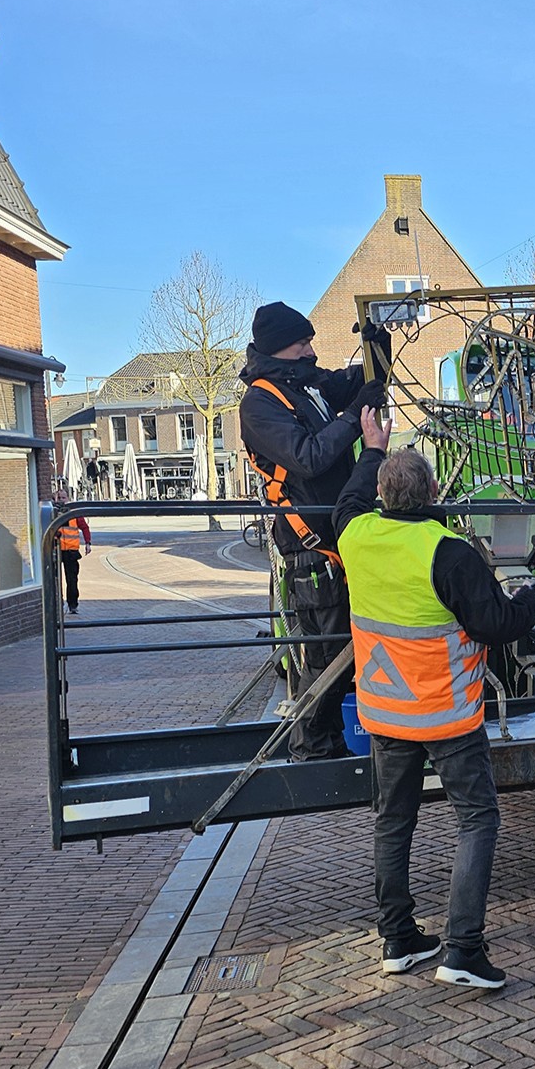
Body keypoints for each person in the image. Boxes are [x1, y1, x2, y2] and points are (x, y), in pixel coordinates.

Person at [334, 406, 535, 990]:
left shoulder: (355, 535)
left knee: (392, 821)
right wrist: (529, 600)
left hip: (385, 712)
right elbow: (496, 625)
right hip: (447, 712)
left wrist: (372, 445)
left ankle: (398, 938)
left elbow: (350, 499)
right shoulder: (449, 551)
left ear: (381, 493)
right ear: (432, 490)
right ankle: (462, 949)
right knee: (477, 820)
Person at [237, 300, 390, 760]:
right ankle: (312, 748)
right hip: (311, 546)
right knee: (325, 651)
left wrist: (378, 343)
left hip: (338, 536)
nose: (311, 351)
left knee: (344, 645)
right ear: (281, 348)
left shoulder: (306, 384)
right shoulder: (261, 403)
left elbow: (364, 381)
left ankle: (328, 742)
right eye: (303, 343)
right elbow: (307, 456)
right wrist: (351, 420)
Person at [53, 490, 91, 614]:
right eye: (59, 497)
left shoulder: (74, 513)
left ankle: (72, 604)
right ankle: (58, 602)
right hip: (56, 550)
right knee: (55, 579)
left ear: (68, 498)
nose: (61, 500)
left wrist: (88, 542)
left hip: (71, 550)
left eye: (63, 497)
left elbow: (84, 527)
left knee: (72, 579)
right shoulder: (53, 512)